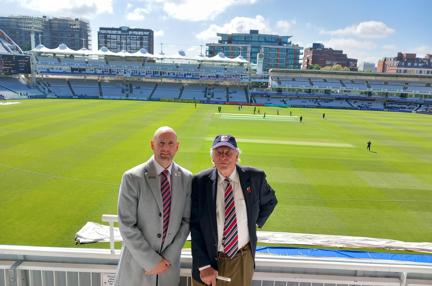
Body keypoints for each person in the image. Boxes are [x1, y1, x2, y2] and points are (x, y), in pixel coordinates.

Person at [190, 135, 278, 286]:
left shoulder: (255, 178)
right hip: (209, 262)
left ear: (237, 156)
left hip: (242, 259)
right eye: (219, 152)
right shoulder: (200, 182)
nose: (223, 156)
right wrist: (203, 265)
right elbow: (194, 225)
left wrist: (254, 222)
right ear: (212, 157)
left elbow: (270, 201)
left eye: (228, 152)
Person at [115, 126, 192, 286]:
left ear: (177, 147)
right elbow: (126, 225)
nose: (165, 148)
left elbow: (186, 222)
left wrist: (167, 259)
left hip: (168, 269)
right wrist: (151, 261)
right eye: (161, 143)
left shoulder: (187, 178)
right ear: (152, 145)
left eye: (170, 143)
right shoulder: (132, 177)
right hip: (137, 267)